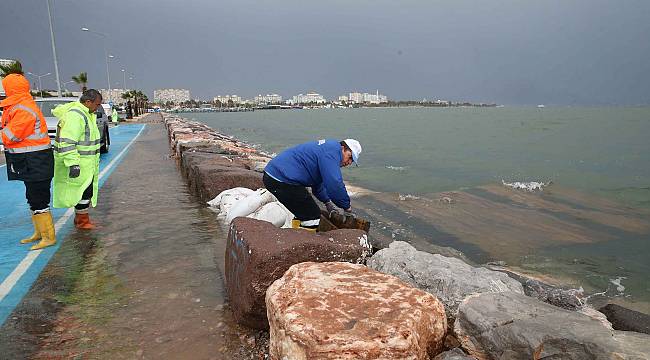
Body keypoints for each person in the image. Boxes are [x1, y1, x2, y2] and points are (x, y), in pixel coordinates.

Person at [1, 70, 56, 250]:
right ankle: (39, 232)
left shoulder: (23, 108)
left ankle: (49, 237)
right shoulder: (18, 106)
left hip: (36, 160)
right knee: (31, 197)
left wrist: (3, 131)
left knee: (39, 198)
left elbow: (11, 135)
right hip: (28, 160)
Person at [263, 138, 362, 232]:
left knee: (302, 212)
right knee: (312, 216)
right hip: (282, 179)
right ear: (343, 148)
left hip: (275, 176)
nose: (349, 162)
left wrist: (327, 203)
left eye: (352, 161)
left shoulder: (327, 149)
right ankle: (302, 246)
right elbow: (335, 184)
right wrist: (347, 208)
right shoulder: (332, 152)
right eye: (350, 157)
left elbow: (317, 183)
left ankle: (294, 238)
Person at [52, 89, 102, 229]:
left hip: (87, 163)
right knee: (83, 193)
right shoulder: (76, 116)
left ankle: (81, 219)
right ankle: (82, 222)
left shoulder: (86, 114)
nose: (97, 107)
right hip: (80, 163)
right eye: (97, 104)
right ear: (88, 102)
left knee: (85, 192)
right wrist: (73, 163)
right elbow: (68, 141)